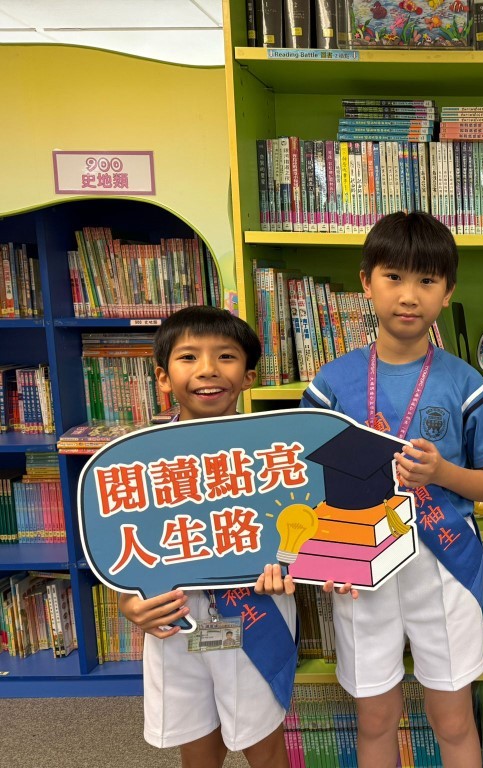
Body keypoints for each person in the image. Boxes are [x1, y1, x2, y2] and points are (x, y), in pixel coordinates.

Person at [299, 211, 483, 768]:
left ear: (448, 292)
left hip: (443, 563)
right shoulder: (330, 384)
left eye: (427, 280)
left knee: (453, 718)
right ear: (366, 282)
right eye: (393, 276)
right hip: (360, 558)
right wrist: (324, 554)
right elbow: (305, 488)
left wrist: (442, 473)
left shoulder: (465, 383)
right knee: (375, 717)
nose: (409, 295)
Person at [117, 305, 298, 768]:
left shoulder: (275, 452)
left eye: (225, 356)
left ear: (249, 376)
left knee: (264, 744)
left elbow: (299, 527)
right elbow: (122, 541)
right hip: (175, 615)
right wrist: (129, 601)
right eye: (188, 357)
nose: (208, 370)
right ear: (163, 378)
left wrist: (292, 566)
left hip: (256, 606)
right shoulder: (141, 459)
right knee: (196, 745)